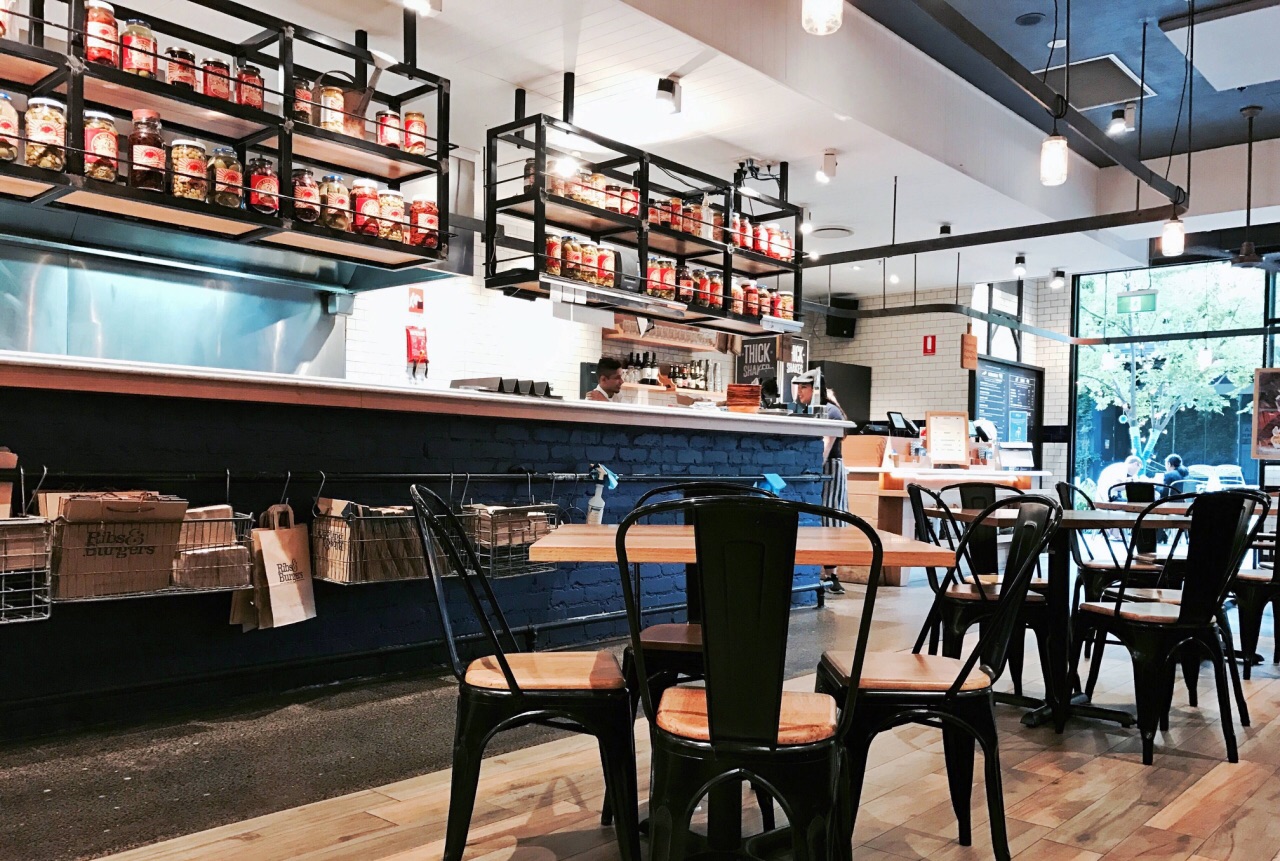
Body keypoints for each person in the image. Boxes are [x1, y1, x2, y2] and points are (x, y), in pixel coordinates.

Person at [793, 370, 848, 594]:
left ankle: (832, 575)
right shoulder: (807, 410)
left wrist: (813, 468)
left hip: (830, 467)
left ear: (816, 389)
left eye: (804, 387)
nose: (799, 392)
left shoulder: (830, 411)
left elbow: (826, 446)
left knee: (830, 519)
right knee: (819, 520)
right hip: (817, 468)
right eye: (798, 387)